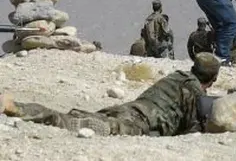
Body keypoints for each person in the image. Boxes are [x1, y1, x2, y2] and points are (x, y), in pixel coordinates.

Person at [1, 53, 221, 136]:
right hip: (141, 122)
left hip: (129, 108)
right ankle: (16, 109)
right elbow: (192, 127)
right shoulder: (193, 89)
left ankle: (19, 106)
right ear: (212, 79)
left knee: (78, 117)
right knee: (93, 126)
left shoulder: (177, 76)